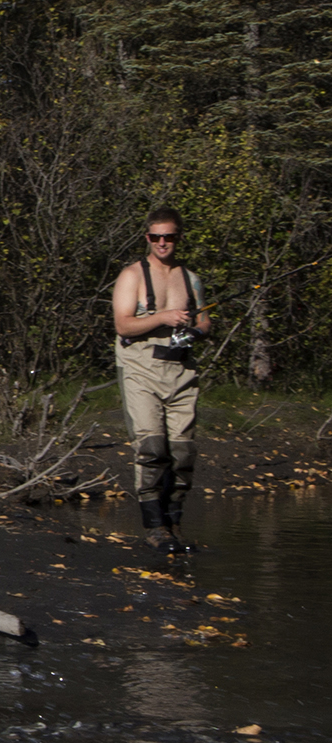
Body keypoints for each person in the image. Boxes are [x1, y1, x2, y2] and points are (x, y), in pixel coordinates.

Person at [110, 207, 210, 555]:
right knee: (152, 448)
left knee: (182, 452)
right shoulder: (131, 276)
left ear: (179, 237)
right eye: (156, 237)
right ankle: (154, 526)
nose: (163, 243)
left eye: (169, 236)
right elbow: (123, 325)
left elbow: (205, 320)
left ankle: (174, 522)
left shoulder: (191, 278)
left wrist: (194, 330)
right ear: (147, 238)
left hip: (181, 371)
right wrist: (162, 317)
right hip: (141, 370)